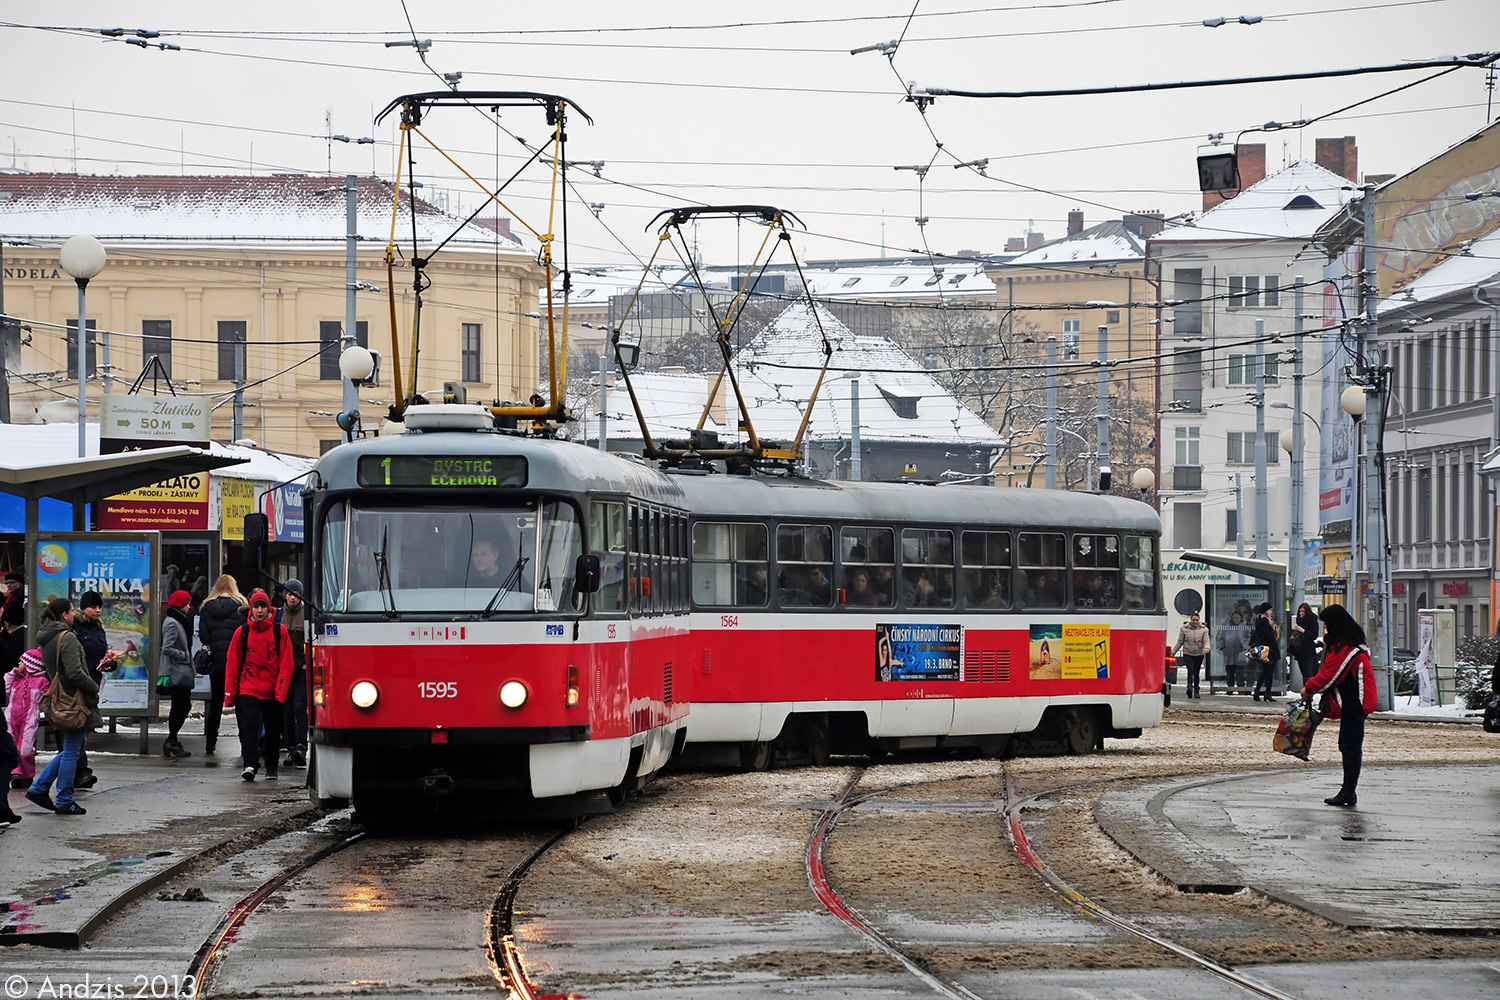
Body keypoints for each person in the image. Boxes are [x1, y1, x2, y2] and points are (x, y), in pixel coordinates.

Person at [26, 598, 99, 815]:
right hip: (71, 701)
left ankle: (39, 788)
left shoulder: (48, 636)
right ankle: (64, 799)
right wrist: (93, 686)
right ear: (64, 616)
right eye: (71, 611)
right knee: (71, 752)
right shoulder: (66, 637)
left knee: (71, 750)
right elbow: (74, 672)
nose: (74, 613)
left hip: (61, 698)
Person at [1301, 604, 1377, 807]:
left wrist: (1308, 688)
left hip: (1356, 703)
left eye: (1327, 625)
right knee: (1346, 745)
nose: (1325, 628)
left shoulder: (1347, 648)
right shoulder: (1347, 644)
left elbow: (1330, 674)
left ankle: (1348, 791)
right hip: (1353, 702)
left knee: (1350, 746)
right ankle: (1347, 790)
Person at [225, 590, 293, 781]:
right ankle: (250, 764)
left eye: (263, 606)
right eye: (257, 607)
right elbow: (233, 664)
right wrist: (230, 694)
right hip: (249, 687)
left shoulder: (279, 631)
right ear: (251, 609)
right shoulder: (243, 632)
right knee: (249, 727)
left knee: (272, 730)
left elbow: (285, 665)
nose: (260, 610)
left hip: (272, 688)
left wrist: (280, 692)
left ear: (268, 608)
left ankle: (271, 766)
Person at [70, 591, 122, 786]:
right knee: (79, 726)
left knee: (82, 727)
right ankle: (79, 770)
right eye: (93, 607)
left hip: (93, 682)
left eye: (99, 607)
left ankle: (76, 770)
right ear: (83, 608)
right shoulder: (75, 626)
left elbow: (99, 656)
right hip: (78, 683)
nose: (98, 610)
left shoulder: (98, 628)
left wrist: (110, 662)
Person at [198, 575, 249, 762]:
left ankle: (211, 743)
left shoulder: (207, 606)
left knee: (216, 702)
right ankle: (245, 744)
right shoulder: (242, 604)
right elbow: (246, 633)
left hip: (217, 662)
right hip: (237, 662)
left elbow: (204, 637)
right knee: (241, 704)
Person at [159, 590, 195, 759]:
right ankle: (172, 740)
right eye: (187, 603)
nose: (189, 607)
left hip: (177, 670)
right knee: (181, 705)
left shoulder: (175, 620)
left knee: (182, 705)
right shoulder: (173, 623)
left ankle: (172, 740)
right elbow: (167, 648)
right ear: (181, 605)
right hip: (175, 672)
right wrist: (185, 656)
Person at [277, 579, 309, 769]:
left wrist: (305, 662)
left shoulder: (307, 615)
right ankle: (290, 747)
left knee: (299, 707)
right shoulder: (278, 614)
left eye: (296, 594)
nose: (292, 597)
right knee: (286, 709)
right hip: (284, 667)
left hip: (301, 667)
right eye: (289, 594)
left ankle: (301, 746)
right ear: (284, 595)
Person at [6, 648, 47, 787]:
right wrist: (11, 674)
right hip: (12, 716)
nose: (19, 663)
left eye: (22, 661)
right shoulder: (15, 678)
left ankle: (27, 775)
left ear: (30, 664)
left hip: (29, 717)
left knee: (26, 748)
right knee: (11, 744)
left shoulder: (41, 681)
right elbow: (5, 688)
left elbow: (48, 695)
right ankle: (15, 773)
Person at [1174, 612, 1211, 699]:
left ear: (1199, 620)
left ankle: (1197, 690)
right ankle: (1189, 687)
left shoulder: (1204, 630)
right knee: (1190, 669)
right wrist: (1173, 652)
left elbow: (1206, 641)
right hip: (1188, 652)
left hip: (1199, 653)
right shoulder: (1184, 629)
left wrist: (1206, 648)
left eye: (1196, 620)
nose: (1195, 622)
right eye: (1193, 620)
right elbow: (1180, 641)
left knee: (1196, 672)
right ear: (1190, 620)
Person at [1250, 602, 1281, 702]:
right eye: (1270, 610)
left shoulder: (1262, 620)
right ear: (1265, 611)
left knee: (1266, 672)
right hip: (1268, 649)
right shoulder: (1264, 621)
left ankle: (1261, 692)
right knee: (1268, 671)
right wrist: (1273, 641)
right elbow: (1267, 635)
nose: (1271, 612)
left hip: (1267, 649)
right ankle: (1265, 692)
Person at [1217, 612, 1251, 693]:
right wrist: (1223, 647)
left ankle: (1241, 688)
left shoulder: (1245, 628)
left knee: (1240, 672)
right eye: (1234, 617)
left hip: (1240, 653)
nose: (1236, 619)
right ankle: (1230, 687)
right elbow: (1219, 638)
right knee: (1230, 672)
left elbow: (1249, 638)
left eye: (1237, 617)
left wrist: (1245, 646)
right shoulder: (1226, 628)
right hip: (1229, 653)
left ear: (1241, 618)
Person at [1, 571, 27, 678]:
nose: (9, 585)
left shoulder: (21, 599)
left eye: (12, 582)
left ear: (20, 583)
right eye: (7, 583)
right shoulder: (9, 598)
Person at [1290, 602, 1321, 688]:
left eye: (1303, 611)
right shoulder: (1299, 620)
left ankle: (1308, 694)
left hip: (1308, 650)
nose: (1301, 613)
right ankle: (1306, 692)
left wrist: (1303, 631)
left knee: (1308, 673)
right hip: (1300, 650)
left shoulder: (1312, 620)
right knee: (1304, 672)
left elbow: (1314, 635)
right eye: (1300, 611)